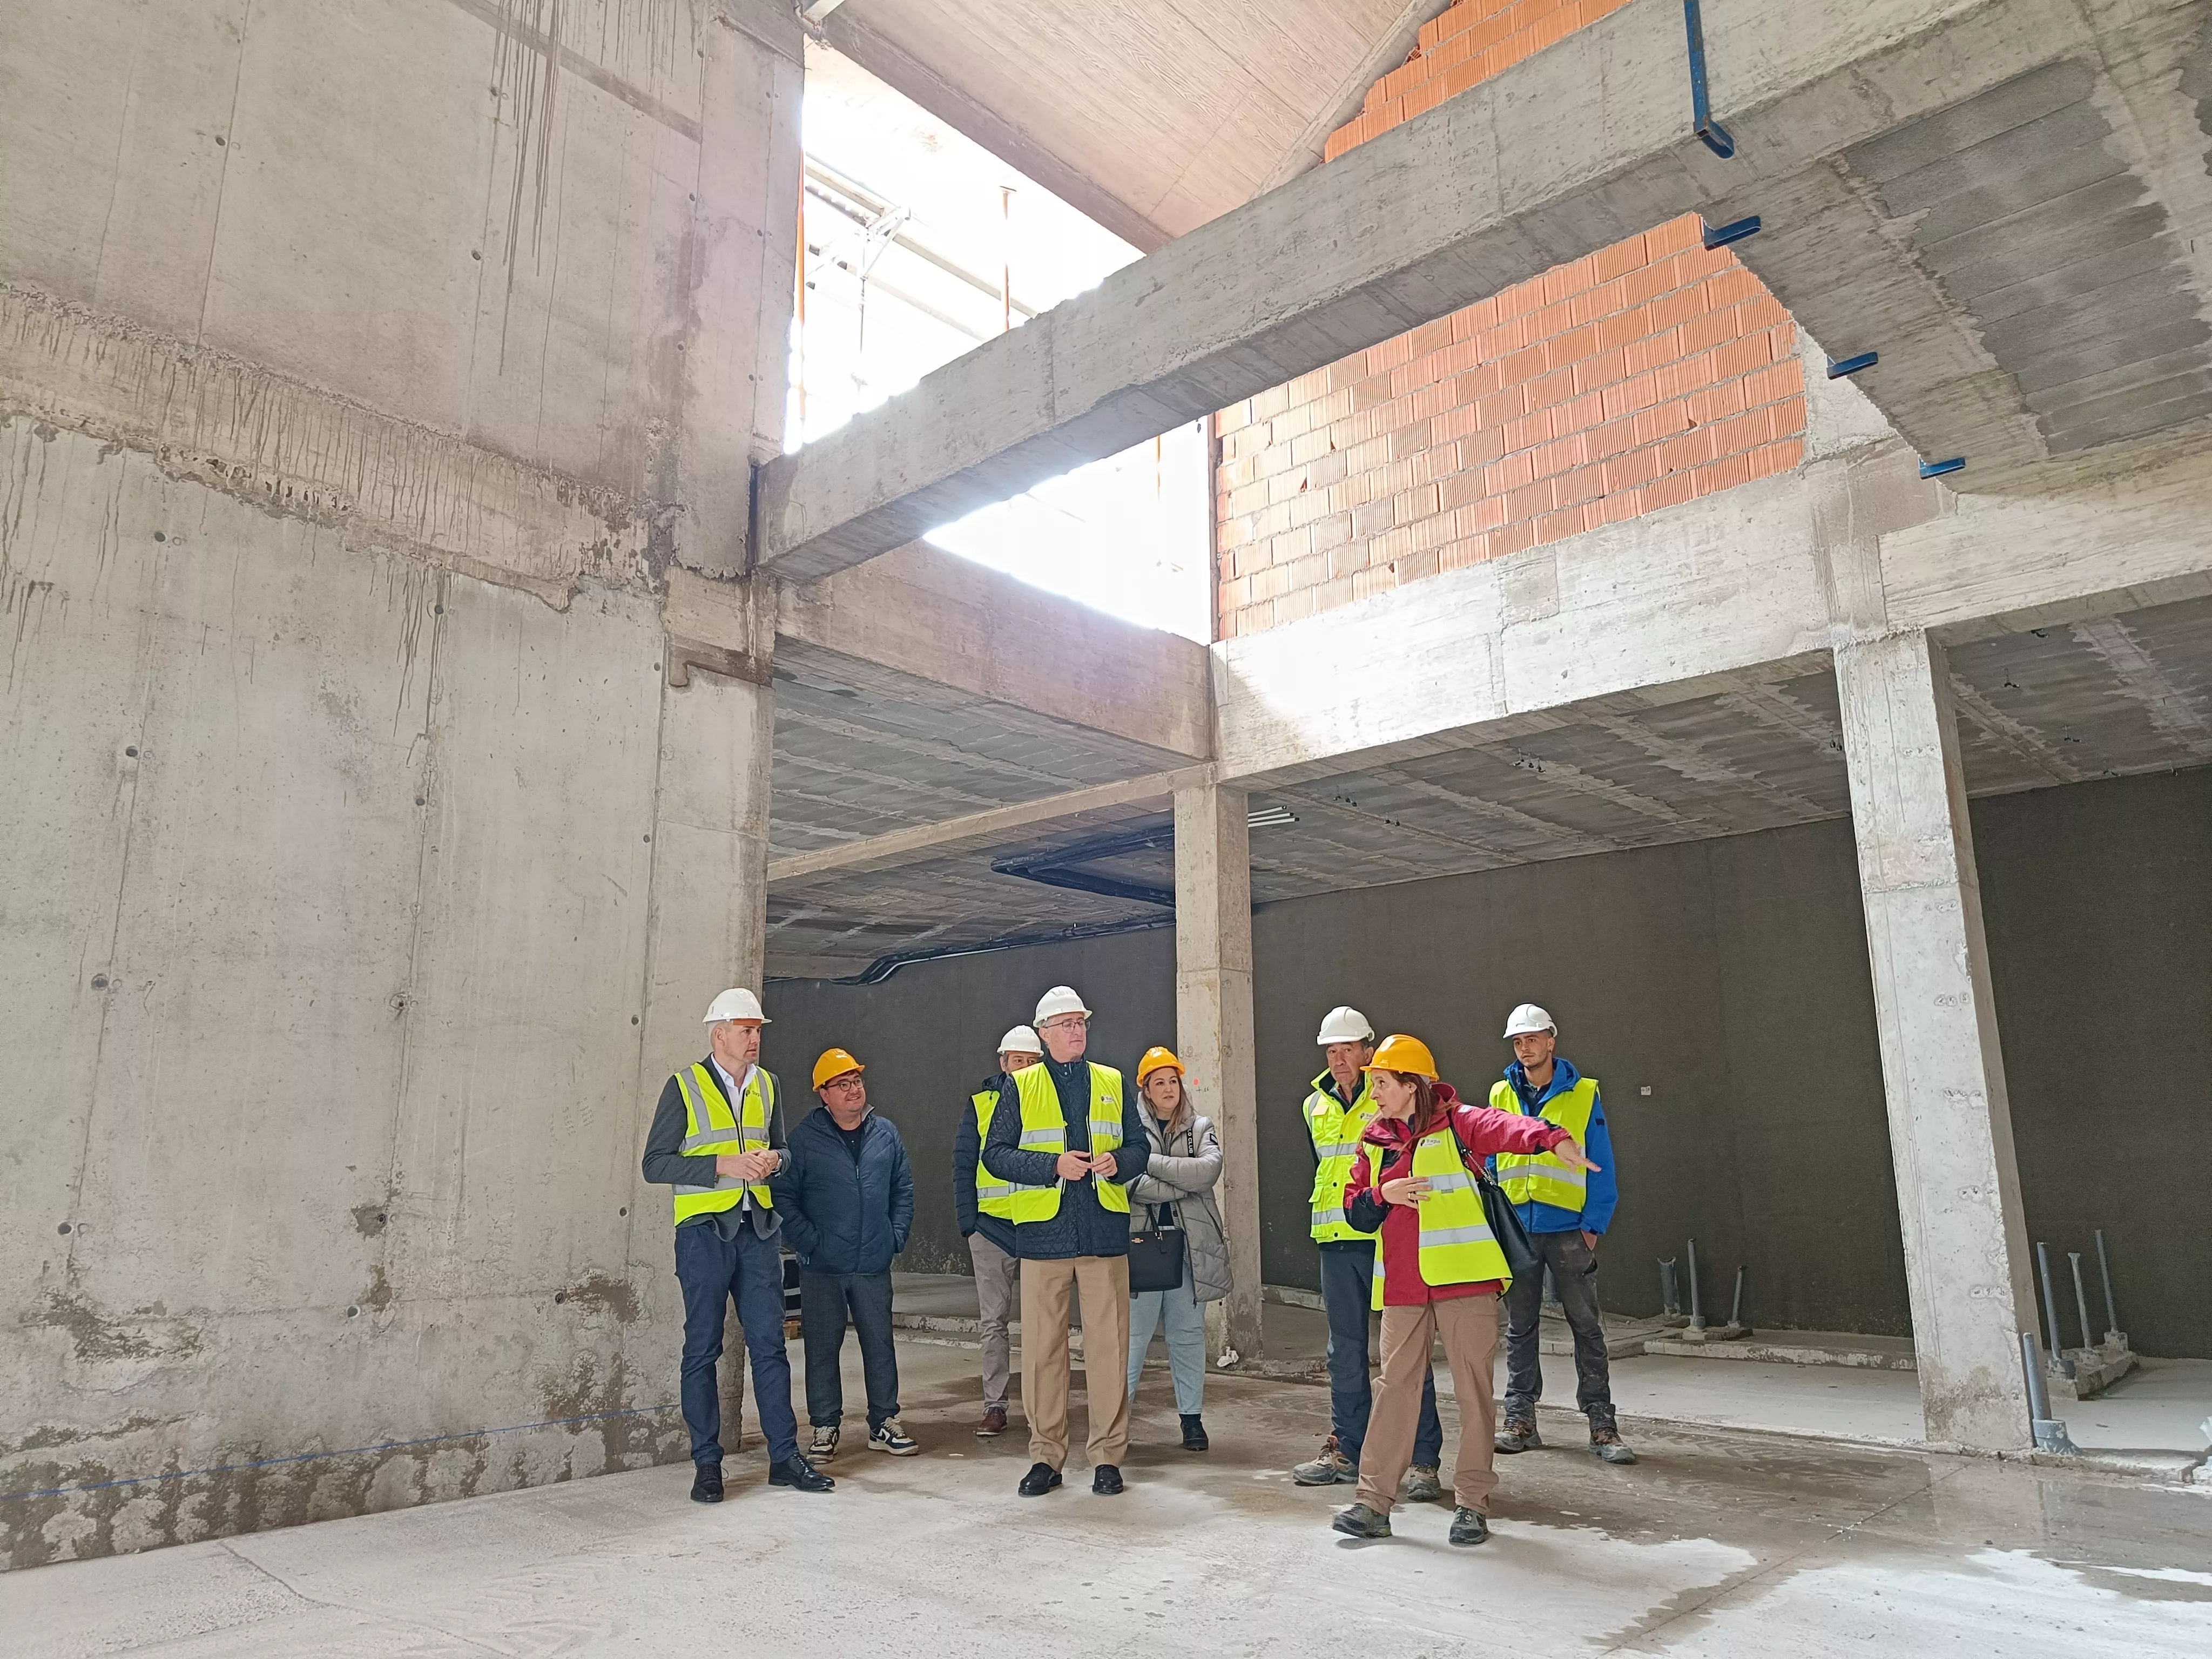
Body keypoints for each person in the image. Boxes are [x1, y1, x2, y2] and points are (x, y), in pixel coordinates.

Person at [1328, 1034, 1596, 1547]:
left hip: (1465, 1281)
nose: (1374, 1092)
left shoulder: (1458, 1123)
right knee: (1393, 1390)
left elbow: (1508, 1127)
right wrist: (1384, 1193)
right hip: (1404, 1287)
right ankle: (1373, 1503)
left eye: (1381, 1082)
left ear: (1412, 1084)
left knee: (1473, 1392)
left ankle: (1472, 1504)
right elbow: (1356, 1211)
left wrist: (1554, 1138)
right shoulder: (1374, 1140)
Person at [639, 987, 833, 1503]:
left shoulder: (768, 1084)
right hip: (703, 1233)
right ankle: (707, 1465)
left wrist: (775, 1161)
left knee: (770, 1347)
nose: (755, 1039)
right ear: (718, 1035)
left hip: (759, 1232)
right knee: (702, 1349)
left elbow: (784, 1150)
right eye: (746, 1030)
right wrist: (722, 1165)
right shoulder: (684, 1086)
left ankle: (784, 1458)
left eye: (758, 1031)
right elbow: (654, 1164)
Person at [980, 984, 1149, 1496]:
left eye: (1082, 1023)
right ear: (1045, 1033)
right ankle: (1046, 1457)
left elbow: (1139, 1147)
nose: (1078, 1032)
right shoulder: (1021, 1085)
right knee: (1042, 1354)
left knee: (1108, 1351)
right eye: (1067, 1024)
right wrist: (1053, 1166)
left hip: (1103, 1234)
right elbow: (996, 1154)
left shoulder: (1113, 1081)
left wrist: (1119, 1162)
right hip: (1043, 1237)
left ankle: (1108, 1459)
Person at [1291, 1007, 1446, 1505]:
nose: (1339, 1059)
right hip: (1335, 1238)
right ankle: (1347, 1449)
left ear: (1368, 1051)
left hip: (1385, 1238)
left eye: (1348, 1049)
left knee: (1405, 1351)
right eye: (1331, 1051)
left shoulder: (1389, 1096)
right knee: (1344, 1351)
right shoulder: (1314, 1105)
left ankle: (1422, 1458)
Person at [1489, 1003, 1635, 1464]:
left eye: (1532, 1039)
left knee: (1586, 1327)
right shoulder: (1500, 1093)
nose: (1525, 1048)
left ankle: (1602, 1424)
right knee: (1520, 1327)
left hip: (1569, 1229)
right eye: (1518, 1041)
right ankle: (1520, 1419)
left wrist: (1592, 1226)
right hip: (1518, 1228)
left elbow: (1602, 1161)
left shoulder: (1584, 1093)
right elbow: (1489, 1161)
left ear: (1551, 1041)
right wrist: (1497, 1224)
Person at [772, 1047, 918, 1460]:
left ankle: (884, 1422)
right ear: (824, 1094)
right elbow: (783, 1198)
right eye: (842, 1084)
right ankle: (825, 1426)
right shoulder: (804, 1140)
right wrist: (810, 1243)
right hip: (823, 1267)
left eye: (856, 1081)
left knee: (880, 1345)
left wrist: (894, 1237)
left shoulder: (885, 1133)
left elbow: (903, 1189)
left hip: (873, 1263)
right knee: (822, 1349)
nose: (853, 1090)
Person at [1124, 1047, 1229, 1452]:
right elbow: (1130, 1183)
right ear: (1146, 1090)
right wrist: (1184, 1184)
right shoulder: (1128, 1131)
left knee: (1187, 1337)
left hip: (1190, 1250)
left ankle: (1192, 1420)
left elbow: (1208, 1172)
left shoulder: (1201, 1127)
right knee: (1133, 1340)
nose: (1169, 1088)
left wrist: (1149, 1162)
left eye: (1173, 1081)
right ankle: (1116, 1424)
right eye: (1159, 1082)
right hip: (1142, 1249)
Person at [952, 1023, 1042, 1438]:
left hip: (1039, 1223)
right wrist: (969, 1224)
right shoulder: (980, 1104)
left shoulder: (1051, 1103)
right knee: (994, 1322)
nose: (1022, 1068)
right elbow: (963, 1162)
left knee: (1043, 1322)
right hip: (991, 1227)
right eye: (1017, 1060)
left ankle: (1043, 1407)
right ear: (1003, 1063)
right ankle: (995, 1405)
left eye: (1030, 1062)